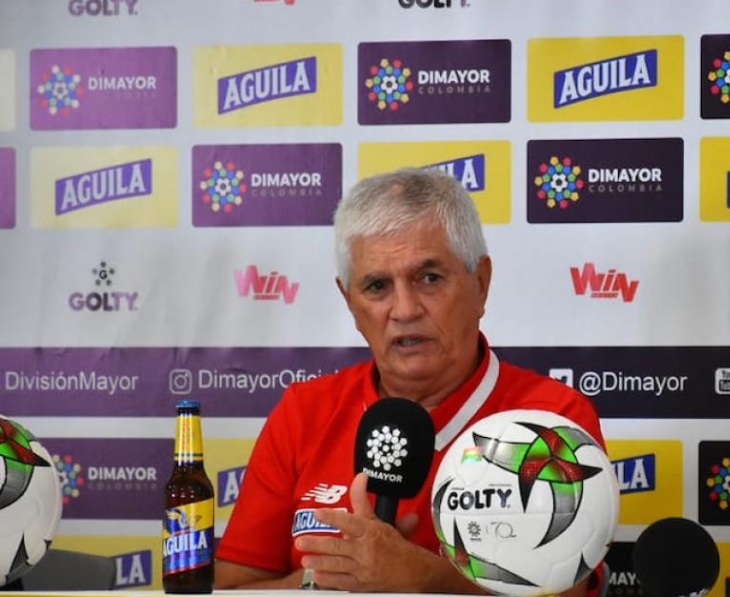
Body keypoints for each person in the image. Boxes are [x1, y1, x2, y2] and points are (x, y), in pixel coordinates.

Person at [215, 168, 606, 592]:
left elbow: (567, 591)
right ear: (350, 302)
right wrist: (328, 581)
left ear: (480, 283)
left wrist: (419, 577)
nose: (404, 309)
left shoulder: (550, 416)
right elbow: (236, 588)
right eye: (378, 286)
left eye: (429, 278)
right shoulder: (304, 410)